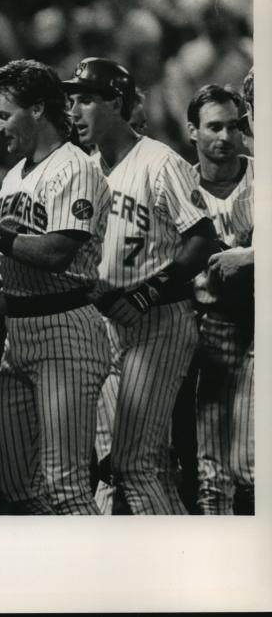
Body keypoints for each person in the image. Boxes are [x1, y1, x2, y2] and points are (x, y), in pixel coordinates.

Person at [0, 59, 113, 514]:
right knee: (20, 486)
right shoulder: (16, 173)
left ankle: (102, 583)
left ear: (38, 108)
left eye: (4, 114)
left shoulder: (74, 167)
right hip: (17, 330)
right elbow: (6, 255)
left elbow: (57, 252)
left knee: (65, 487)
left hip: (66, 329)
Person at [66, 57, 217, 515]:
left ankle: (173, 572)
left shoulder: (159, 161)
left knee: (137, 463)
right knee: (111, 465)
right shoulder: (85, 169)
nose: (74, 111)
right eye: (71, 100)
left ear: (115, 103)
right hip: (104, 329)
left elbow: (202, 239)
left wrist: (149, 290)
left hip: (159, 323)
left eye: (86, 100)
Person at [185, 84, 254, 514]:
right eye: (213, 127)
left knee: (251, 468)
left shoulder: (262, 174)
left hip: (257, 321)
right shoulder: (178, 185)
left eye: (233, 126)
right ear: (192, 131)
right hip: (209, 327)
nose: (225, 137)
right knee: (212, 474)